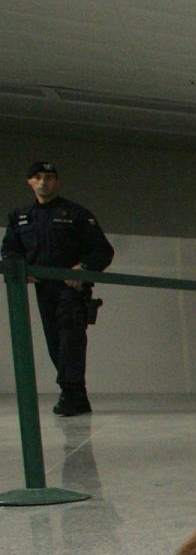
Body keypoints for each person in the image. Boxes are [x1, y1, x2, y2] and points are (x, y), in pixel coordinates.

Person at [3, 161, 114, 416]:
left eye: (50, 177)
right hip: (43, 289)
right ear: (30, 182)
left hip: (71, 288)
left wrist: (83, 268)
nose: (44, 182)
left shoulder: (75, 214)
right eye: (38, 177)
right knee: (55, 341)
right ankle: (76, 394)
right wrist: (19, 271)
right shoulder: (20, 217)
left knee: (69, 339)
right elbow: (10, 250)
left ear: (57, 182)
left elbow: (103, 251)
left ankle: (71, 393)